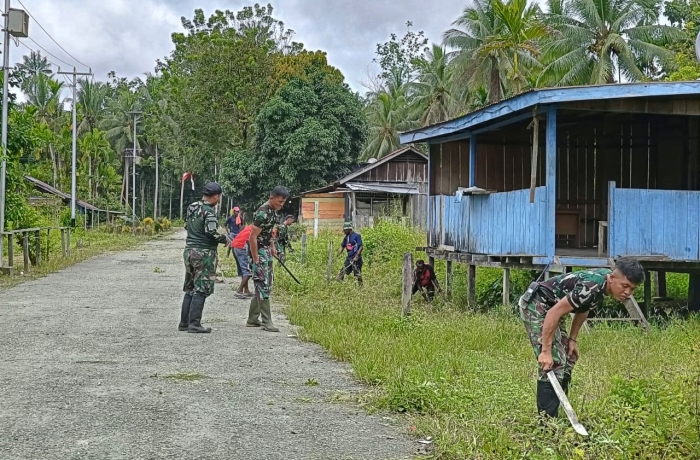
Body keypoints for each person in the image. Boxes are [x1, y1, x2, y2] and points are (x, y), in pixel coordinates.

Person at [519, 257, 645, 418]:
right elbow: (553, 313)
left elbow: (584, 307)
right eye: (625, 286)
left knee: (569, 357)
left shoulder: (603, 286)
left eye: (632, 289)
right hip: (537, 305)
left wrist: (572, 340)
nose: (628, 292)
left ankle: (559, 408)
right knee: (553, 361)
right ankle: (546, 423)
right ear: (612, 277)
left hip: (553, 308)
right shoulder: (591, 286)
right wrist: (545, 351)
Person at [179, 182, 231, 334]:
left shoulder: (192, 207)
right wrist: (225, 239)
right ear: (215, 196)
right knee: (201, 289)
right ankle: (194, 324)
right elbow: (211, 232)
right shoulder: (209, 212)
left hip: (189, 251)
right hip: (204, 253)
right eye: (219, 197)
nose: (219, 200)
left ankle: (184, 322)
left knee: (190, 288)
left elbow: (186, 226)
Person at [246, 186, 290, 332]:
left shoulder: (273, 212)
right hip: (258, 250)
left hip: (266, 249)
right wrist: (255, 258)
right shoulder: (262, 213)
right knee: (262, 283)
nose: (281, 204)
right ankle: (267, 321)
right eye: (280, 201)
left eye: (283, 202)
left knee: (266, 283)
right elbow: (252, 237)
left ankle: (252, 319)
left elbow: (269, 231)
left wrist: (272, 246)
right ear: (272, 197)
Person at [231, 224, 254, 299]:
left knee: (243, 270)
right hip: (241, 246)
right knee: (247, 271)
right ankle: (239, 291)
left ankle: (246, 290)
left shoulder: (253, 226)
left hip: (235, 245)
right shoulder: (260, 228)